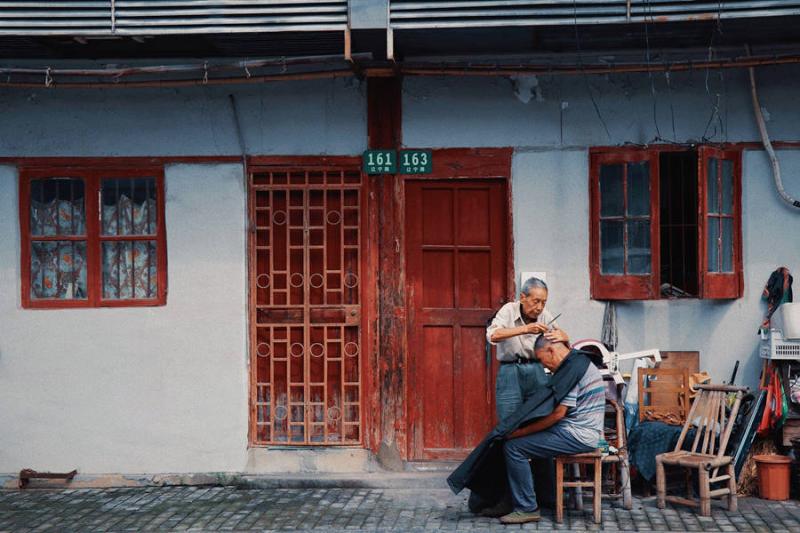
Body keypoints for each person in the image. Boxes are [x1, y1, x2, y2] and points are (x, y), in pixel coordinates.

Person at [498, 335, 605, 525]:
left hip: (578, 435)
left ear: (551, 350)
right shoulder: (580, 362)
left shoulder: (572, 370)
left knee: (514, 447)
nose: (545, 367)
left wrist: (521, 432)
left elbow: (557, 415)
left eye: (541, 360)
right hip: (582, 432)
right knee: (527, 441)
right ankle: (544, 497)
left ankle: (526, 508)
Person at [486, 277, 569, 423]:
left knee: (539, 415)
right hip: (510, 369)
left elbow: (562, 342)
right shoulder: (508, 310)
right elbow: (493, 335)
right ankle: (509, 446)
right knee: (509, 419)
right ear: (523, 298)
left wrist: (564, 337)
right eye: (536, 301)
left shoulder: (544, 315)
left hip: (536, 369)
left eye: (544, 302)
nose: (539, 307)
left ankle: (532, 446)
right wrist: (525, 329)